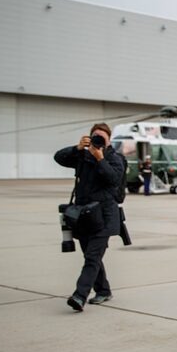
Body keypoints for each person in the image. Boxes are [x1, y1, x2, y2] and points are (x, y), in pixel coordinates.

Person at [54, 123, 125, 311]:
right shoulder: (82, 156)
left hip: (105, 216)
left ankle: (79, 296)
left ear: (109, 140)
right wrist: (76, 148)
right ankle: (104, 290)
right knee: (90, 255)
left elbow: (113, 180)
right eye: (95, 136)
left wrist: (100, 159)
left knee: (92, 257)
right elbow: (58, 158)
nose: (98, 139)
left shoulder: (115, 159)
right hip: (84, 216)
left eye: (102, 137)